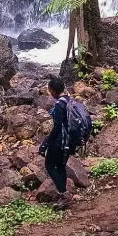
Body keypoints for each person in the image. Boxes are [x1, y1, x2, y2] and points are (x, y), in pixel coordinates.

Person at [39, 75, 74, 209]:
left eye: (49, 89)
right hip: (69, 140)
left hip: (61, 140)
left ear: (53, 90)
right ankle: (62, 193)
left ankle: (64, 194)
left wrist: (45, 143)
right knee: (60, 166)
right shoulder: (69, 100)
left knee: (49, 165)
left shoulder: (59, 105)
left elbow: (57, 126)